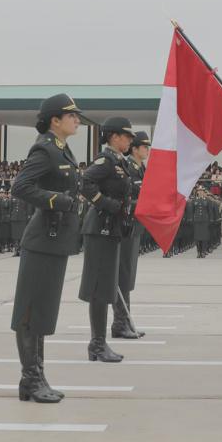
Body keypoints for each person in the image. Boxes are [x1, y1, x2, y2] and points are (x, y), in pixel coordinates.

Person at [10, 94, 83, 403]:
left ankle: (35, 378)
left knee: (42, 311)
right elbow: (21, 187)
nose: (77, 119)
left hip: (56, 240)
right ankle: (30, 377)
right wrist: (59, 200)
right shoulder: (45, 148)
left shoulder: (62, 151)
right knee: (30, 311)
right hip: (42, 239)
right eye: (72, 114)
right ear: (56, 119)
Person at [79, 116, 137, 363]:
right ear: (114, 136)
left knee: (105, 287)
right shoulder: (106, 160)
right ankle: (97, 344)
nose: (130, 141)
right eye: (127, 136)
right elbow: (84, 181)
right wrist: (106, 204)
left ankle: (99, 344)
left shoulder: (119, 162)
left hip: (111, 228)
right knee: (99, 289)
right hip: (100, 227)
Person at [113, 130, 151, 339]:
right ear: (134, 149)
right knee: (123, 276)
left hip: (134, 225)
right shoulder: (128, 168)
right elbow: (126, 198)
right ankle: (120, 323)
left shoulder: (141, 169)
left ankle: (123, 321)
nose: (147, 150)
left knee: (128, 276)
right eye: (144, 147)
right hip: (126, 226)